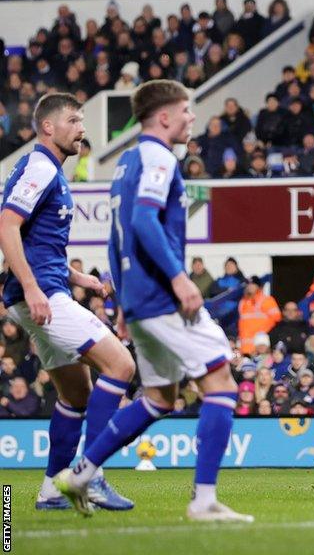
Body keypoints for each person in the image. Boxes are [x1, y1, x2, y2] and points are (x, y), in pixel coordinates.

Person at [54, 80, 251, 521]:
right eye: (186, 111)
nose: (191, 119)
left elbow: (115, 237)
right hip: (163, 297)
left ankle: (81, 473)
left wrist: (123, 303)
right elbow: (143, 221)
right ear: (164, 116)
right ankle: (204, 501)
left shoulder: (127, 162)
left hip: (140, 299)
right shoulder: (160, 157)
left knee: (160, 398)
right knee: (220, 382)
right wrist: (180, 279)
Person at [0, 93, 136, 512]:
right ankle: (88, 476)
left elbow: (34, 244)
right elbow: (6, 224)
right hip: (41, 297)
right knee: (122, 366)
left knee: (77, 394)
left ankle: (50, 491)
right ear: (48, 128)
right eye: (74, 120)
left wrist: (84, 280)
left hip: (41, 292)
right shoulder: (41, 167)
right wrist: (33, 287)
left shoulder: (49, 173)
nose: (82, 127)